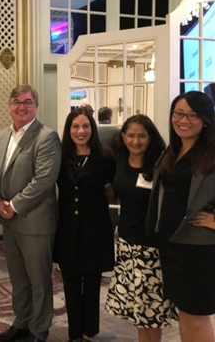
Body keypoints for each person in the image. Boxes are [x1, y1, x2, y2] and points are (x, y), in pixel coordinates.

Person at [0, 85, 62, 342]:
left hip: (35, 222)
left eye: (27, 102)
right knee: (18, 278)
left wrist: (14, 205)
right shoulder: (0, 137)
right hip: (9, 222)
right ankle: (22, 322)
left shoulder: (47, 137)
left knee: (39, 280)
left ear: (36, 106)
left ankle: (39, 329)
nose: (21, 107)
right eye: (16, 102)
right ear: (9, 106)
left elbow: (44, 179)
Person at [146, 92, 215, 342]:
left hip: (198, 247)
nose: (183, 120)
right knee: (184, 313)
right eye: (178, 113)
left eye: (192, 115)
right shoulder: (173, 151)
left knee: (196, 315)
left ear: (206, 119)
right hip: (171, 243)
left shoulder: (210, 152)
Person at [104, 115, 177, 342]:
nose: (136, 141)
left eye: (141, 136)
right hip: (126, 243)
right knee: (137, 309)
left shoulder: (162, 164)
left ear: (151, 137)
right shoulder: (119, 161)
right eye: (131, 135)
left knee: (151, 311)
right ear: (123, 137)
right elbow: (114, 189)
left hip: (151, 247)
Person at [54, 107, 115, 342]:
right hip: (67, 229)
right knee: (69, 284)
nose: (81, 131)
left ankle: (89, 332)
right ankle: (73, 334)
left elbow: (117, 184)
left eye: (86, 126)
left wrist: (106, 190)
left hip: (95, 229)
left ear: (93, 128)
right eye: (75, 126)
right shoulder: (60, 155)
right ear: (69, 129)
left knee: (91, 284)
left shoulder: (105, 156)